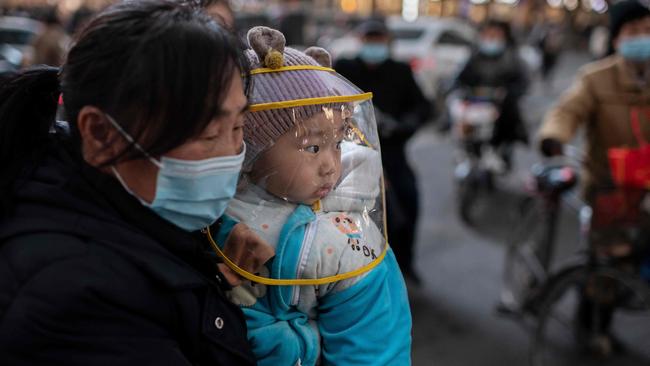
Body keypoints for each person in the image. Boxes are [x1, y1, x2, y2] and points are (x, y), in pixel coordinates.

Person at [0, 1, 272, 364]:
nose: (231, 154)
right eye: (208, 134)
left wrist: (216, 241)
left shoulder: (134, 208)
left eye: (239, 127)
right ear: (100, 134)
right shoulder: (78, 300)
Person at [213, 26, 412, 366]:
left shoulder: (350, 240)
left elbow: (372, 347)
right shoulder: (214, 204)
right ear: (252, 149)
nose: (329, 166)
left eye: (337, 144)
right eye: (312, 147)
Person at [538, 0, 650, 355]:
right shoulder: (596, 77)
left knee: (632, 261)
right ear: (616, 39)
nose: (643, 38)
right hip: (606, 188)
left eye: (648, 30)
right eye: (633, 31)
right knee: (604, 264)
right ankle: (589, 326)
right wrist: (555, 139)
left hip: (645, 190)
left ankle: (606, 318)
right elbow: (567, 111)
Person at [334, 19, 430, 284]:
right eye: (369, 39)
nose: (374, 45)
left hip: (391, 153)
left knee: (407, 198)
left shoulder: (400, 71)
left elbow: (422, 107)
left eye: (379, 40)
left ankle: (405, 264)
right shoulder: (344, 67)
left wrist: (403, 126)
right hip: (349, 151)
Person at [452, 19, 529, 166]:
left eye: (496, 35)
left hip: (501, 106)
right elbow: (460, 79)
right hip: (476, 104)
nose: (491, 38)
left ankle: (501, 153)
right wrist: (462, 90)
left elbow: (522, 82)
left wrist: (508, 93)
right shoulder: (474, 56)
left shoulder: (512, 57)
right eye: (488, 34)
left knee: (507, 122)